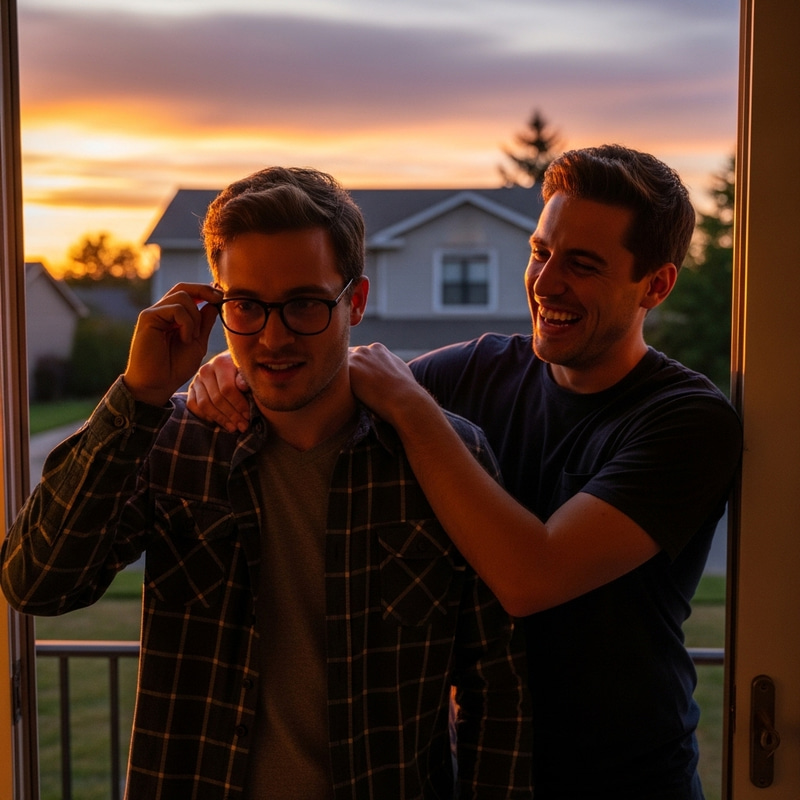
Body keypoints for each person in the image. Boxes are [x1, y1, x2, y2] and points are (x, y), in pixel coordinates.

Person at [187, 146, 744, 799]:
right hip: (480, 770)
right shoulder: (476, 372)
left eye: (583, 265)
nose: (546, 281)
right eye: (540, 252)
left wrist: (408, 406)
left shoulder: (688, 421)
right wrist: (229, 371)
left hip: (629, 781)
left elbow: (530, 576)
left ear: (656, 285)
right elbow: (323, 384)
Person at [1, 167, 533, 799]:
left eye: (305, 303)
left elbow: (497, 686)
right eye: (246, 306)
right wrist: (138, 397)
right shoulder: (174, 443)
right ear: (216, 307)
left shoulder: (443, 455)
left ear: (355, 301)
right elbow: (36, 581)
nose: (272, 337)